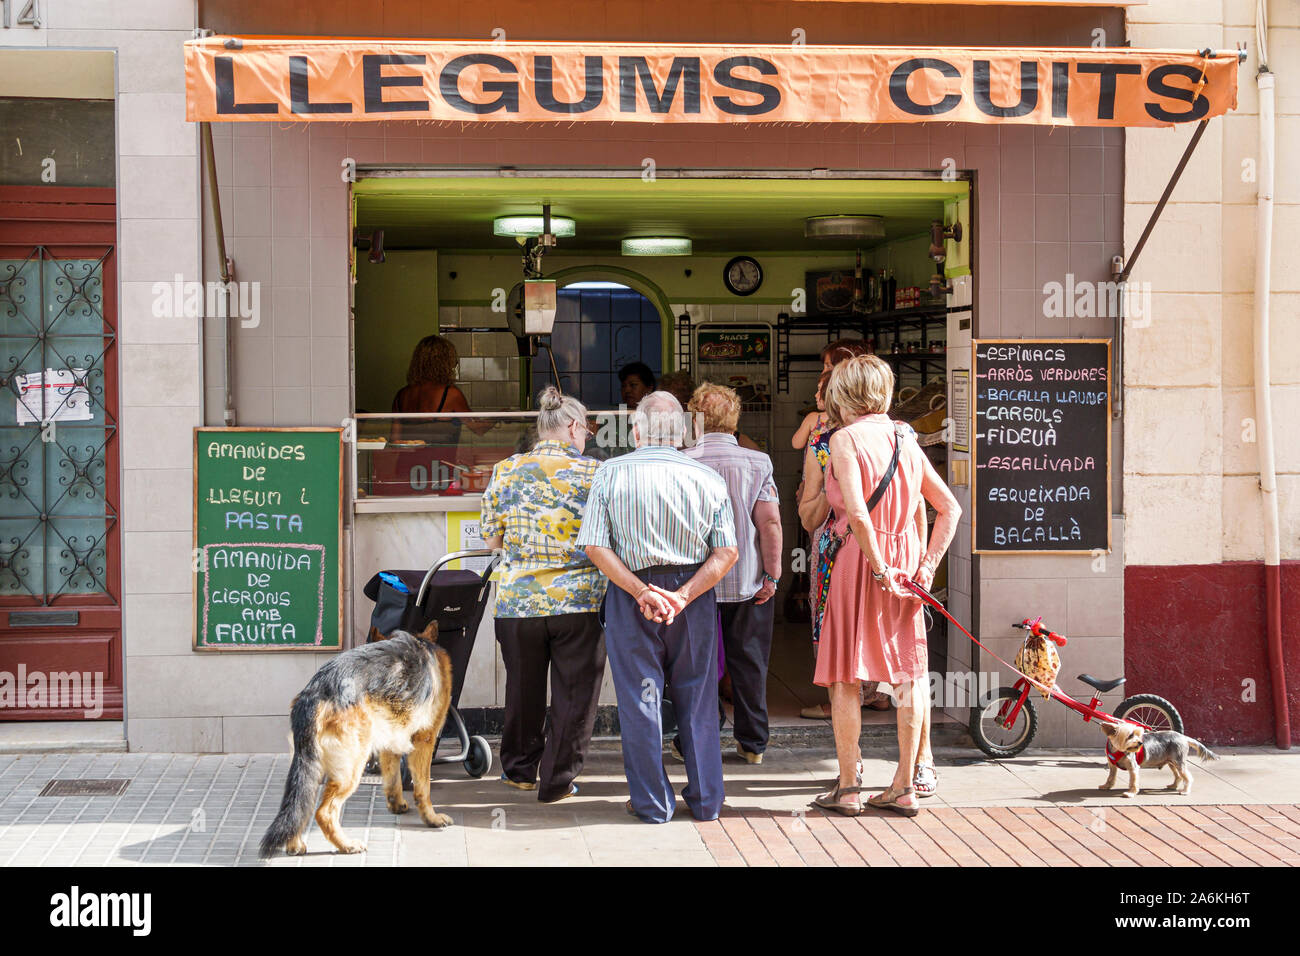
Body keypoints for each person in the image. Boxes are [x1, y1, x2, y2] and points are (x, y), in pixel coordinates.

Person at [577, 391, 738, 823]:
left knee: (640, 698)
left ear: (636, 431)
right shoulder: (707, 478)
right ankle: (707, 801)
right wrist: (682, 596)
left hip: (632, 596)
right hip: (693, 597)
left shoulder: (610, 473)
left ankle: (652, 803)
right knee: (698, 698)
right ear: (685, 433)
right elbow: (727, 554)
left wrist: (639, 591)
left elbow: (595, 546)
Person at [811, 355, 959, 817]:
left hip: (861, 562)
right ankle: (903, 785)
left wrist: (877, 567)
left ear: (843, 393)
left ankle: (850, 786)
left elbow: (856, 514)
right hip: (907, 565)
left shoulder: (844, 439)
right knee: (909, 675)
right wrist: (927, 566)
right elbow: (949, 508)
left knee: (845, 676)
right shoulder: (904, 438)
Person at [479, 387, 608, 803]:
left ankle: (518, 771)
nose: (586, 437)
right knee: (574, 695)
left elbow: (493, 540)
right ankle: (557, 780)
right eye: (585, 429)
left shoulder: (506, 469)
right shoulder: (596, 473)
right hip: (579, 602)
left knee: (522, 690)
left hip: (518, 603)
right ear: (572, 426)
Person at [682, 384, 782, 764]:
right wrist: (772, 575)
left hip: (696, 583)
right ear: (734, 419)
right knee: (750, 662)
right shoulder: (759, 462)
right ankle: (753, 742)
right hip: (748, 580)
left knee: (699, 664)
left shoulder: (682, 461)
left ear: (695, 419)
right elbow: (769, 522)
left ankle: (698, 738)